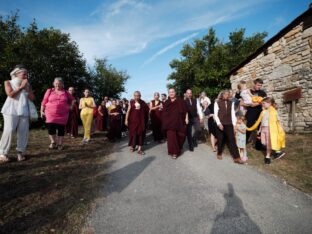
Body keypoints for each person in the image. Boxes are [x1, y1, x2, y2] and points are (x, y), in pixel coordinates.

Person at [0, 67, 35, 163]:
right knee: (9, 130)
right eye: (24, 74)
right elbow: (10, 94)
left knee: (23, 132)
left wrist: (27, 89)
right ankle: (2, 154)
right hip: (10, 110)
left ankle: (20, 153)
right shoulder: (8, 82)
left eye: (27, 74)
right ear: (16, 74)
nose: (26, 76)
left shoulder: (27, 84)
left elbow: (32, 98)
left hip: (24, 110)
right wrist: (20, 87)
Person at [247, 97, 286, 164]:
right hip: (263, 129)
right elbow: (260, 122)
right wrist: (259, 129)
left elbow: (278, 121)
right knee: (263, 142)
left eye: (264, 103)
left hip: (270, 130)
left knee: (268, 143)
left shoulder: (274, 112)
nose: (262, 105)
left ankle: (268, 156)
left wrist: (281, 129)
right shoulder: (263, 112)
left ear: (269, 103)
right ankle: (277, 152)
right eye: (262, 103)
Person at [41, 78, 74, 150]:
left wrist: (71, 106)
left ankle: (60, 144)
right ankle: (53, 142)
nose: (57, 85)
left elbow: (72, 99)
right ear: (53, 83)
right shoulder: (49, 91)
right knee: (50, 128)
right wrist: (41, 111)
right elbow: (44, 101)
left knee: (61, 129)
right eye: (56, 83)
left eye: (59, 83)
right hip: (50, 113)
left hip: (63, 114)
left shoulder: (65, 92)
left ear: (62, 84)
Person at [214, 90, 244, 164]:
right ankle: (219, 153)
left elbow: (233, 114)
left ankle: (236, 157)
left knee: (232, 140)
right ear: (222, 95)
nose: (227, 96)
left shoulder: (231, 103)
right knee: (220, 139)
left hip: (229, 123)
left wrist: (234, 125)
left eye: (228, 94)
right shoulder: (217, 102)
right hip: (220, 123)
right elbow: (215, 114)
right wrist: (219, 123)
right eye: (225, 94)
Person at [162, 88, 188, 159]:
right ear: (168, 93)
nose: (171, 93)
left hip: (179, 122)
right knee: (171, 138)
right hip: (170, 123)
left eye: (172, 92)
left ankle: (179, 147)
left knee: (181, 136)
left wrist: (186, 118)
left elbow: (185, 111)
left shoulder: (180, 101)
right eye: (170, 92)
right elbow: (164, 113)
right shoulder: (166, 102)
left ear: (175, 92)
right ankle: (174, 152)